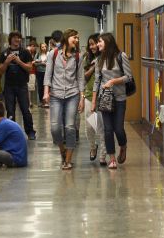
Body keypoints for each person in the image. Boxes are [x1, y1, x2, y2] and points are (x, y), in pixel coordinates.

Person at [44, 28, 85, 170]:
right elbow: (48, 75)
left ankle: (68, 160)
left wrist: (81, 98)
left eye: (78, 38)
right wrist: (46, 92)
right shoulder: (53, 54)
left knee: (70, 127)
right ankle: (62, 149)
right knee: (55, 128)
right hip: (56, 95)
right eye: (75, 37)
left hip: (72, 95)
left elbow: (80, 78)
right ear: (67, 38)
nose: (77, 40)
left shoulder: (78, 56)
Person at [91, 32, 132, 169]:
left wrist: (113, 81)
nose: (97, 44)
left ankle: (123, 146)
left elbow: (129, 77)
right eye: (97, 42)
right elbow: (97, 81)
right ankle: (112, 158)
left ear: (107, 42)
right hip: (105, 99)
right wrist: (93, 102)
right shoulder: (98, 60)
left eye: (100, 41)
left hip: (119, 98)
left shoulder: (121, 56)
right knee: (108, 130)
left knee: (118, 129)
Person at [0, 31, 36, 140]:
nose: (17, 40)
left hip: (22, 85)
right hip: (9, 86)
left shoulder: (25, 52)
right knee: (10, 111)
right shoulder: (4, 53)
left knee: (25, 109)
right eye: (15, 38)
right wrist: (7, 62)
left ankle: (30, 132)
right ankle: (11, 133)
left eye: (19, 38)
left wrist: (19, 61)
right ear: (10, 39)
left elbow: (29, 68)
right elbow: (0, 71)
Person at [83, 33, 105, 164]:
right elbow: (84, 76)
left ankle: (103, 156)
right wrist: (94, 66)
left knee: (102, 127)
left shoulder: (107, 57)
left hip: (104, 97)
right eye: (90, 44)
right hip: (90, 95)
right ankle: (93, 147)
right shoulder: (87, 58)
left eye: (94, 43)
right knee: (90, 127)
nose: (92, 46)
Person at [34, 42, 49, 107]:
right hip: (39, 72)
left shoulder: (48, 54)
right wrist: (41, 63)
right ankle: (41, 101)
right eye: (42, 47)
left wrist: (45, 64)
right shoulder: (37, 54)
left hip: (46, 72)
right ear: (40, 48)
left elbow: (50, 64)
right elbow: (34, 63)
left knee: (46, 86)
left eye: (45, 47)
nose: (44, 48)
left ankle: (46, 101)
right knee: (40, 87)